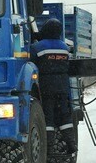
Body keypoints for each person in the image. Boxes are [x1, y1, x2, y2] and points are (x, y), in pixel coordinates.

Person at [30, 19, 77, 154]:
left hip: (46, 85)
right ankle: (71, 144)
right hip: (62, 86)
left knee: (48, 116)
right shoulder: (64, 47)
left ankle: (49, 148)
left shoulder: (38, 47)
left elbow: (32, 63)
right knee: (64, 116)